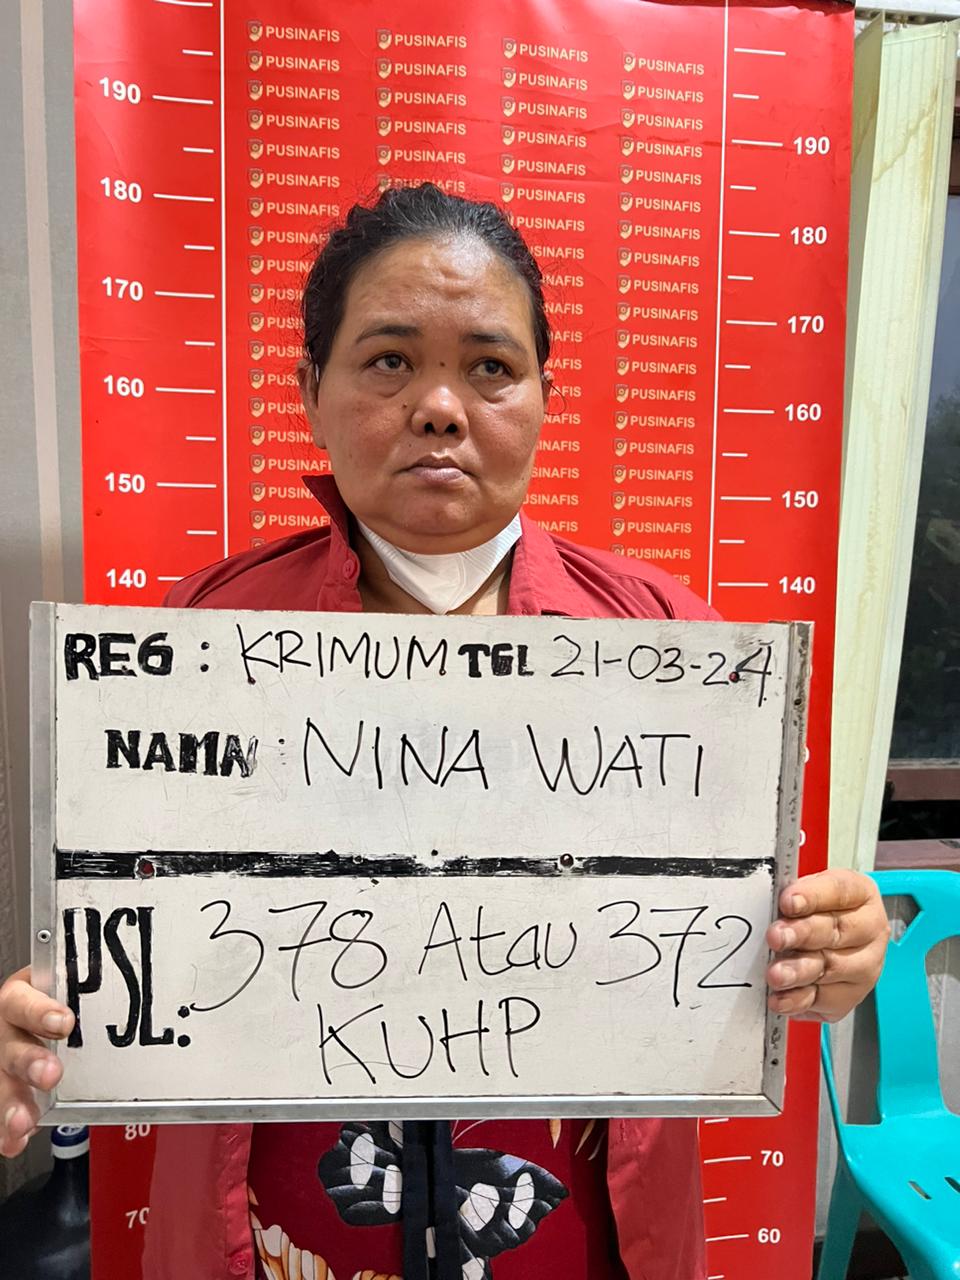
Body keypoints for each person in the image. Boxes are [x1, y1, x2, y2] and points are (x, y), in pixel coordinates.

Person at [0, 182, 890, 1280]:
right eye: (388, 360)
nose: (439, 407)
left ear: (543, 395)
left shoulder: (669, 644)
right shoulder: (195, 639)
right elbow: (126, 923)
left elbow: (754, 934)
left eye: (490, 366)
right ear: (311, 391)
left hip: (574, 1236)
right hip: (274, 1239)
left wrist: (827, 951)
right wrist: (53, 1013)